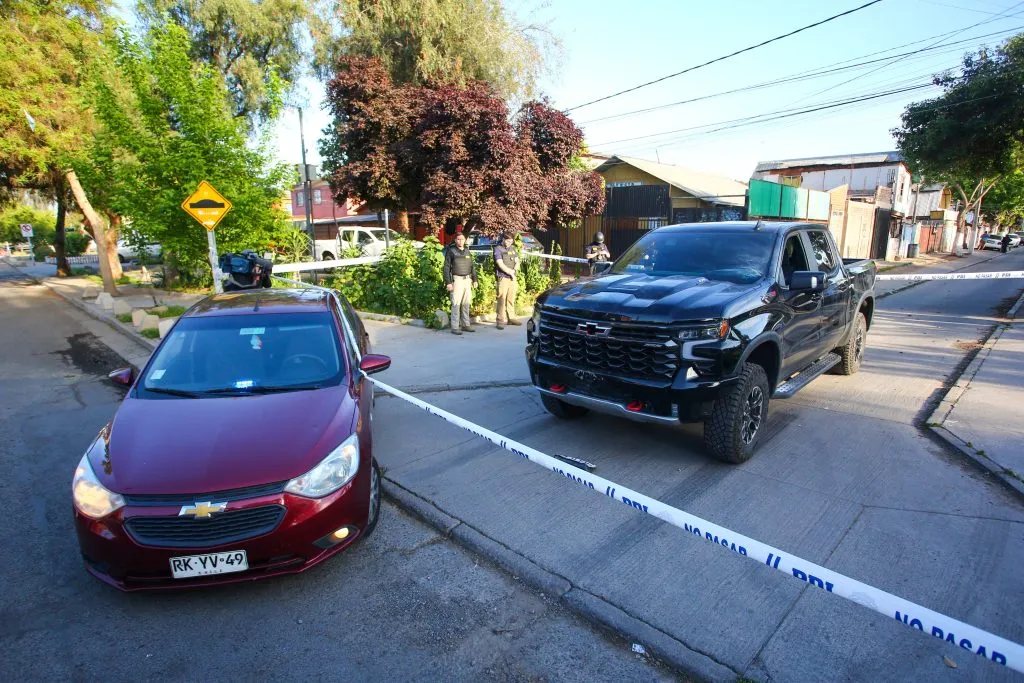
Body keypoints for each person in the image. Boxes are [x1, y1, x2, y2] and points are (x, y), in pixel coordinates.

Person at [443, 230, 477, 334]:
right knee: (456, 304)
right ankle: (455, 327)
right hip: (457, 280)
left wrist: (475, 280)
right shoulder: (451, 251)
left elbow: (472, 267)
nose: (460, 241)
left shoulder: (467, 251)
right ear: (455, 240)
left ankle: (466, 325)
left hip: (467, 280)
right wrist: (448, 282)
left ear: (465, 240)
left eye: (462, 239)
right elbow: (446, 268)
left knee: (466, 303)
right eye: (458, 239)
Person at [493, 232, 521, 330]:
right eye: (508, 241)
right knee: (501, 299)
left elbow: (517, 261)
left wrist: (515, 270)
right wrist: (511, 272)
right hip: (503, 278)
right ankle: (500, 320)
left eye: (511, 241)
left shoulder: (512, 248)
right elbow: (500, 264)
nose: (509, 243)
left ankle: (511, 318)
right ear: (503, 239)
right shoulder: (497, 249)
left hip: (512, 278)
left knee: (511, 299)